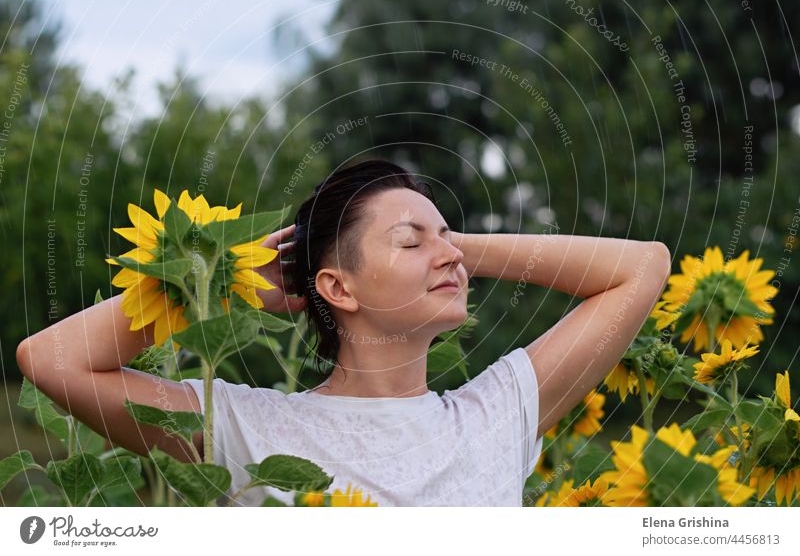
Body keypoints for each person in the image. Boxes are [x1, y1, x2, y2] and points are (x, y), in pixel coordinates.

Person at [16, 156, 671, 507]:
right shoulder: (245, 429)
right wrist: (216, 277)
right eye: (410, 241)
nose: (448, 256)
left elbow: (644, 268)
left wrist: (451, 244)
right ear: (338, 287)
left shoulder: (496, 416)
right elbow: (51, 359)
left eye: (449, 236)